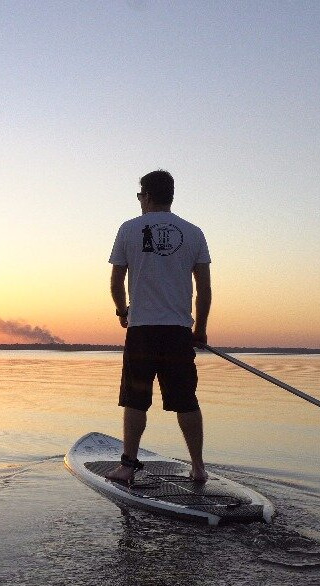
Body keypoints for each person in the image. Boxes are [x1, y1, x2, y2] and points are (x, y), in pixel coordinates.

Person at [106, 170, 211, 486]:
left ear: (147, 195)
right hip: (178, 332)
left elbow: (116, 280)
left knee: (135, 399)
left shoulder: (128, 229)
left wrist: (122, 310)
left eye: (140, 196)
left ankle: (127, 466)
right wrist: (200, 330)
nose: (140, 202)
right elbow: (204, 289)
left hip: (142, 332)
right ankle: (198, 467)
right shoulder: (194, 232)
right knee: (187, 400)